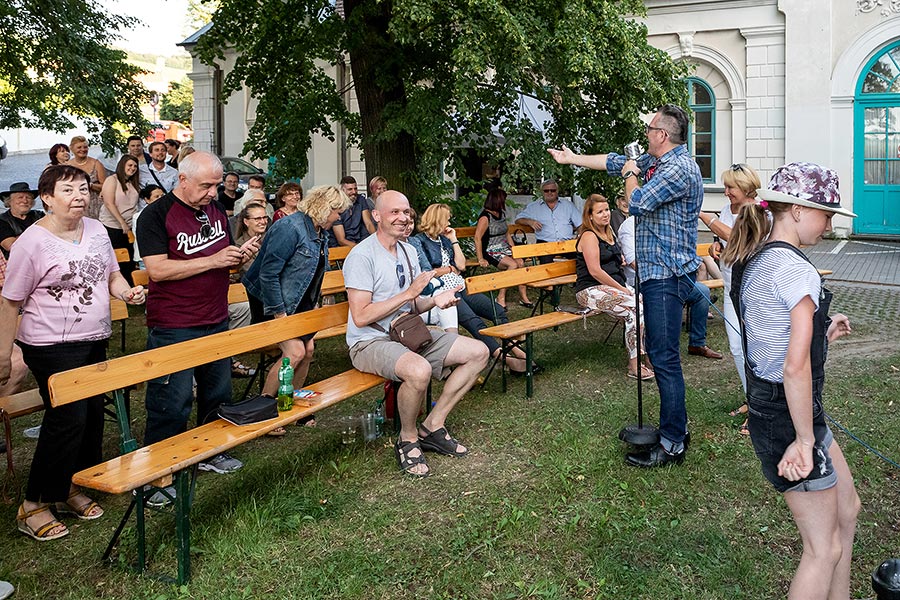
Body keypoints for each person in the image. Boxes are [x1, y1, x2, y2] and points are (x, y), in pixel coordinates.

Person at [722, 162, 860, 599]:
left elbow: (772, 335)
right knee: (822, 549)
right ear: (797, 211)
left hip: (782, 408)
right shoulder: (798, 271)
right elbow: (794, 367)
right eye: (826, 213)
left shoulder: (758, 257)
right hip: (790, 416)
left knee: (848, 511)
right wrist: (802, 442)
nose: (830, 223)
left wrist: (821, 332)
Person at [548, 104, 704, 468]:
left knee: (664, 359)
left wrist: (632, 174)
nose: (645, 133)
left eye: (650, 128)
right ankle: (674, 430)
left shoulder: (678, 169)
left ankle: (672, 443)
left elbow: (636, 202)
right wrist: (573, 159)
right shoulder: (661, 163)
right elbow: (615, 161)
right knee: (665, 357)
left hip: (666, 276)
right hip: (658, 274)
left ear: (662, 135)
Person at [0, 165, 145, 541]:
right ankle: (32, 504)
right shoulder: (31, 242)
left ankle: (66, 488)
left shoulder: (97, 229)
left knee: (93, 415)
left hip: (95, 337)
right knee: (68, 419)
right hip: (49, 345)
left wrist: (125, 291)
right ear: (47, 198)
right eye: (68, 189)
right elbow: (10, 301)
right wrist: (3, 355)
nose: (79, 195)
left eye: (83, 188)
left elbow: (110, 274)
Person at [137, 152, 260, 497]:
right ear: (183, 180)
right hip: (175, 322)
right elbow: (158, 270)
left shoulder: (216, 210)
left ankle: (211, 452)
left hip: (215, 316)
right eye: (206, 185)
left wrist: (236, 256)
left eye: (217, 185)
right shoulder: (155, 215)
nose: (213, 192)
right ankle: (159, 474)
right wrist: (214, 260)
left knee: (217, 393)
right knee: (170, 401)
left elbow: (218, 256)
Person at [344, 190, 489, 477]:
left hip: (407, 332)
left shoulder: (409, 250)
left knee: (478, 352)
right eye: (394, 212)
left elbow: (412, 304)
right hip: (369, 341)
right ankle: (407, 438)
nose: (402, 218)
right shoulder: (361, 255)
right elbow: (360, 317)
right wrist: (409, 294)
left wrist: (434, 300)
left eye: (406, 212)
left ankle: (432, 425)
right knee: (419, 370)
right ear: (376, 216)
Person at [243, 185, 351, 400]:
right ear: (324, 208)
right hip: (270, 301)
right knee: (295, 352)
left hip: (297, 302)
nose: (338, 217)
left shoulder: (320, 232)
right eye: (337, 211)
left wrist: (313, 302)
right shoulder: (289, 228)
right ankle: (265, 405)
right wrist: (280, 315)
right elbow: (268, 274)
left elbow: (313, 274)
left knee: (308, 349)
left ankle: (291, 401)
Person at [700, 162, 763, 434]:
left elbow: (739, 238)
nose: (726, 192)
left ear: (747, 188)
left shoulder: (758, 212)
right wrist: (716, 243)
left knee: (755, 350)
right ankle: (752, 399)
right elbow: (725, 239)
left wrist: (707, 219)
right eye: (725, 186)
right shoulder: (728, 209)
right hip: (729, 287)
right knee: (737, 348)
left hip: (752, 290)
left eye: (730, 187)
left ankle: (761, 409)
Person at [574, 194, 653, 380]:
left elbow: (613, 259)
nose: (605, 214)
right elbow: (595, 271)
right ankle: (634, 365)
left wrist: (621, 260)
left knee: (647, 304)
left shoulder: (609, 233)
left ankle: (648, 355)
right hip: (590, 290)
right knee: (633, 308)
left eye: (607, 210)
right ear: (590, 215)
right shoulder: (588, 236)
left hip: (612, 287)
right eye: (599, 211)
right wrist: (622, 289)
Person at [407, 203, 467, 332]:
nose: (449, 222)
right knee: (469, 316)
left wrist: (454, 239)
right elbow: (428, 272)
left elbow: (461, 266)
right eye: (447, 219)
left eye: (411, 223)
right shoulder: (418, 241)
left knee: (494, 310)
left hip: (457, 283)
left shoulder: (444, 239)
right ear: (438, 220)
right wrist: (451, 269)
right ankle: (497, 351)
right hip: (439, 288)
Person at [474, 188, 533, 308]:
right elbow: (477, 238)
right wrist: (480, 258)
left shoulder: (501, 214)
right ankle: (500, 297)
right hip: (491, 250)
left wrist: (514, 249)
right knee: (513, 265)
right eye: (503, 200)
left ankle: (523, 297)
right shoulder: (485, 217)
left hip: (504, 248)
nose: (505, 202)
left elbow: (506, 233)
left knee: (520, 262)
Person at [99, 155, 140, 284]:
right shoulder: (112, 180)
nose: (132, 168)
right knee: (118, 258)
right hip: (113, 225)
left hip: (130, 226)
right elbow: (109, 203)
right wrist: (122, 222)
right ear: (122, 165)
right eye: (129, 165)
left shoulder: (133, 182)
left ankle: (131, 284)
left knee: (131, 257)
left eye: (135, 166)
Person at [514, 179, 582, 251]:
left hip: (567, 244)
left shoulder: (568, 205)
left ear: (557, 191)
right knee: (545, 261)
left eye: (552, 190)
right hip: (545, 245)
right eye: (546, 191)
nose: (549, 193)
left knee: (581, 256)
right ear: (542, 192)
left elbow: (581, 224)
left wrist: (579, 237)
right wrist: (530, 222)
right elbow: (518, 220)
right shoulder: (534, 207)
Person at [65, 135, 106, 220]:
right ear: (72, 149)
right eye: (79, 147)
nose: (83, 149)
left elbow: (105, 186)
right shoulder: (66, 166)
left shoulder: (96, 164)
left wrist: (90, 185)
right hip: (75, 204)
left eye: (85, 147)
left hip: (95, 206)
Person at [0, 183, 43, 259]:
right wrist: (40, 234)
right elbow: (11, 245)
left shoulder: (40, 215)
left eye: (28, 197)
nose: (25, 200)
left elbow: (56, 235)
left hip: (42, 260)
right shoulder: (2, 220)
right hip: (17, 264)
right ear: (9, 201)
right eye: (20, 197)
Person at [332, 176, 375, 246]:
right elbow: (341, 240)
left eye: (355, 188)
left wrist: (377, 240)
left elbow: (368, 223)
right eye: (350, 189)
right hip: (341, 247)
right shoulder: (336, 205)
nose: (354, 192)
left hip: (359, 241)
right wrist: (359, 248)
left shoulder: (361, 200)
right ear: (342, 190)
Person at [233, 202, 269, 280]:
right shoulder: (240, 245)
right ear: (246, 222)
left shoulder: (273, 238)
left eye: (265, 217)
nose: (263, 222)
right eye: (257, 219)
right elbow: (251, 270)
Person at [132, 185, 164, 270]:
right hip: (146, 258)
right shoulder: (138, 217)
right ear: (147, 200)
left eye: (162, 196)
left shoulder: (167, 214)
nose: (161, 199)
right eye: (156, 197)